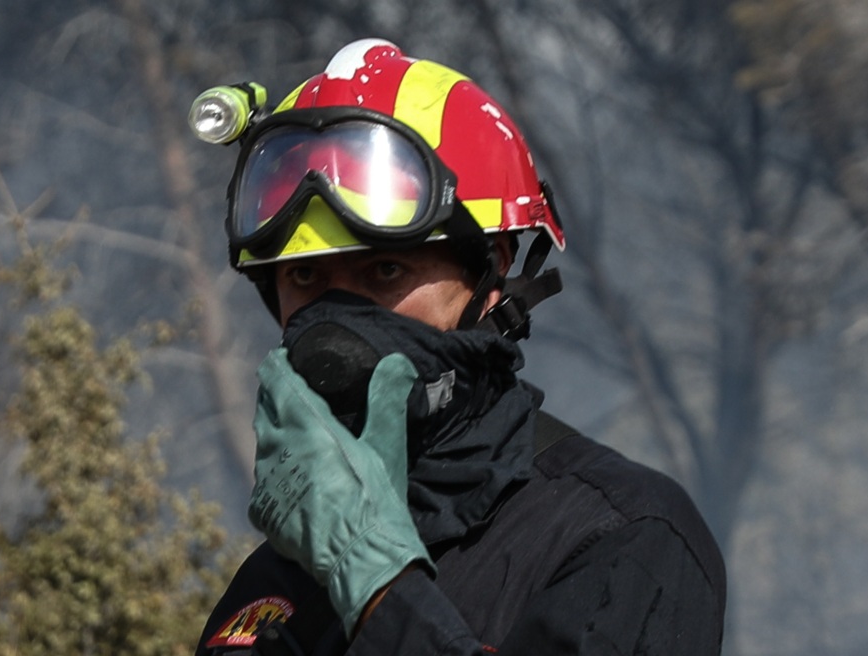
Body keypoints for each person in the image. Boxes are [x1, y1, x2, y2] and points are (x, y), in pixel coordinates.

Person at [190, 38, 726, 656]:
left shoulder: (626, 537)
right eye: (305, 278)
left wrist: (375, 582)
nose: (338, 319)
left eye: (385, 272)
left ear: (492, 276)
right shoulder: (272, 584)